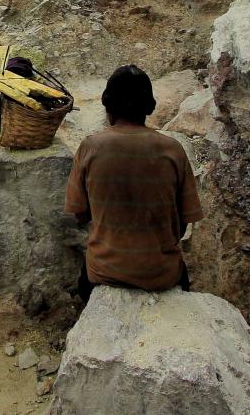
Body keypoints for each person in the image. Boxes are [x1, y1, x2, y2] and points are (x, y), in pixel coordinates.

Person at [65, 64, 203, 303]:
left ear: (108, 107)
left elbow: (79, 214)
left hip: (105, 271)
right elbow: (184, 221)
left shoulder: (91, 147)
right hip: (162, 274)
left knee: (82, 287)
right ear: (148, 107)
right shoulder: (173, 150)